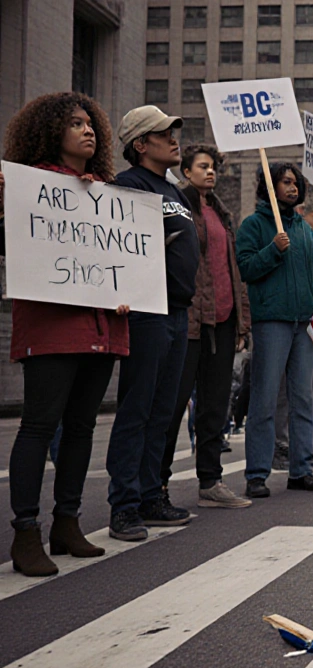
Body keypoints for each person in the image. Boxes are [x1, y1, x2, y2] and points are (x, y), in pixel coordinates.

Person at [1, 93, 128, 575]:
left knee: (81, 427)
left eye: (90, 122)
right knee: (39, 425)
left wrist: (126, 288)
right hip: (53, 325)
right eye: (75, 124)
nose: (87, 130)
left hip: (103, 324)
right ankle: (26, 531)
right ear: (50, 132)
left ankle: (67, 522)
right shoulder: (28, 185)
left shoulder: (107, 194)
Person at [105, 106, 201, 540]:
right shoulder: (128, 186)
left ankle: (150, 495)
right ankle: (123, 505)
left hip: (178, 311)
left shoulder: (174, 191)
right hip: (146, 309)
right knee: (137, 408)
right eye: (164, 133)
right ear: (141, 144)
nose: (174, 138)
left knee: (163, 412)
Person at [161, 144, 253, 509]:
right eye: (203, 166)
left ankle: (211, 481)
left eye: (214, 167)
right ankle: (159, 484)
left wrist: (241, 321)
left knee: (215, 406)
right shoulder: (177, 205)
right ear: (187, 171)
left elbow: (233, 272)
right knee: (173, 404)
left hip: (224, 321)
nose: (211, 172)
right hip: (190, 321)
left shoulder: (221, 212)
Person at [236, 163, 313, 497]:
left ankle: (301, 470)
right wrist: (273, 250)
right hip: (271, 322)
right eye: (285, 182)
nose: (292, 187)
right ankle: (257, 474)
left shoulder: (304, 229)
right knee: (264, 397)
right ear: (270, 187)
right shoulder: (254, 225)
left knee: (303, 398)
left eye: (295, 182)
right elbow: (246, 267)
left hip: (304, 323)